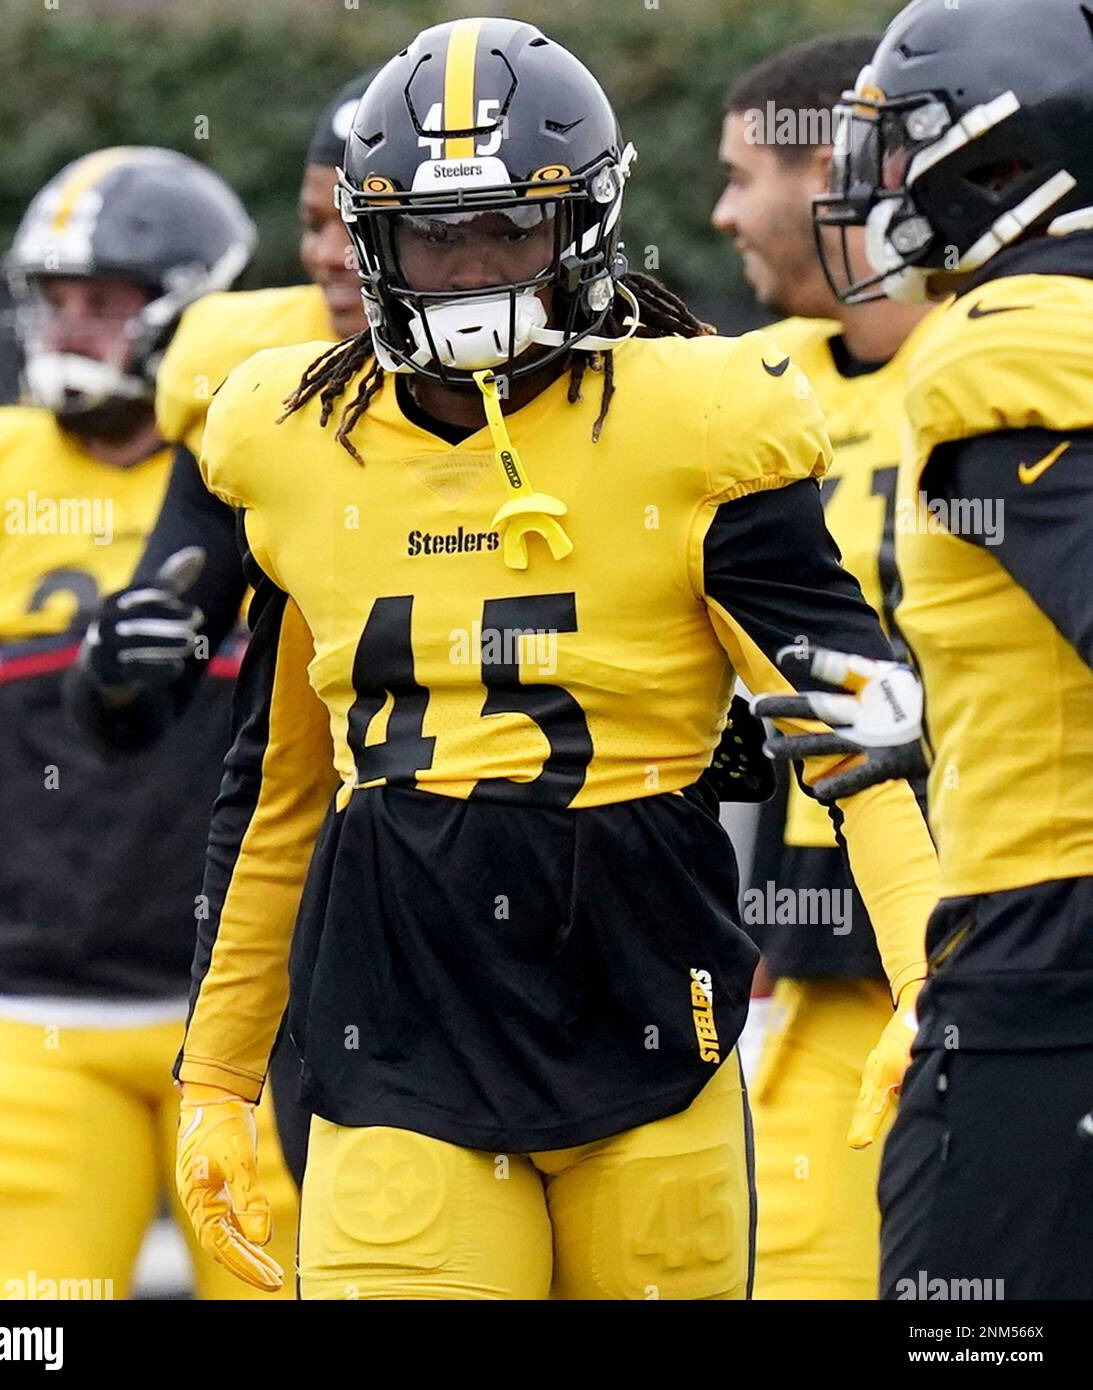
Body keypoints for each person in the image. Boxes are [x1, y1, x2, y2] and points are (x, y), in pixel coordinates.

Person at [172, 16, 935, 1301]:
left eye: (509, 231)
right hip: (397, 1017)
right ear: (376, 240)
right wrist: (216, 1075)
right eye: (435, 235)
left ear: (580, 226)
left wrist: (922, 968)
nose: (470, 270)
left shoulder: (697, 416)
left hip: (645, 1000)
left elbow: (853, 724)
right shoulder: (297, 438)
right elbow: (276, 791)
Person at [0, 147, 298, 1299]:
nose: (73, 331)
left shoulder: (265, 465)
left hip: (262, 1032)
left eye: (108, 304)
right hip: (44, 1022)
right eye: (59, 301)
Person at [765, 0, 1093, 1299]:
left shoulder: (995, 347)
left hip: (1043, 948)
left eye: (898, 146)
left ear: (996, 156)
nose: (869, 184)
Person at [64, 74, 375, 1188]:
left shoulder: (586, 387)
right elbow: (139, 697)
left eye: (359, 219)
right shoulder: (254, 383)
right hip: (333, 903)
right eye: (311, 223)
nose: (331, 254)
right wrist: (110, 670)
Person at [712, 34, 936, 1299]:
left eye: (741, 175)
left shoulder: (1009, 357)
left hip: (1014, 926)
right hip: (819, 948)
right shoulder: (751, 387)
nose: (720, 213)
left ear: (830, 173)